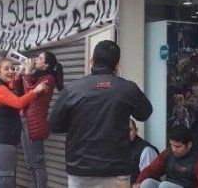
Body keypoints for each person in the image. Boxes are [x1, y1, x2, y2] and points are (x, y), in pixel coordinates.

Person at [50, 40, 153, 188]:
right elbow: (144, 114)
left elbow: (55, 125)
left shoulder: (72, 89)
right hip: (116, 171)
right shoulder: (127, 88)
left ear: (91, 61)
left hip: (80, 170)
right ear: (117, 65)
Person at [0, 58, 48, 188]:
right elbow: (18, 103)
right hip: (1, 143)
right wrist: (35, 91)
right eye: (6, 69)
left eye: (12, 68)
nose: (11, 71)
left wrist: (19, 75)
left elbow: (12, 93)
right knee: (5, 180)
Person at [19, 51, 64, 188]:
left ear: (46, 64)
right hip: (25, 119)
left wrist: (27, 73)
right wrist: (20, 72)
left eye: (39, 58)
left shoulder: (49, 79)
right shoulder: (36, 76)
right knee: (29, 162)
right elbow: (20, 92)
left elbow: (31, 93)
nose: (36, 60)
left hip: (36, 123)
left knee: (37, 162)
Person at [134, 125, 198, 188]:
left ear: (189, 145)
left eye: (178, 146)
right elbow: (150, 170)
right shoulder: (168, 153)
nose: (174, 149)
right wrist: (138, 183)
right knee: (147, 183)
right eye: (172, 145)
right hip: (169, 184)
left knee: (164, 186)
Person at [129, 119, 159, 184]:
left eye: (130, 130)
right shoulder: (117, 148)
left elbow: (147, 182)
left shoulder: (146, 151)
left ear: (136, 131)